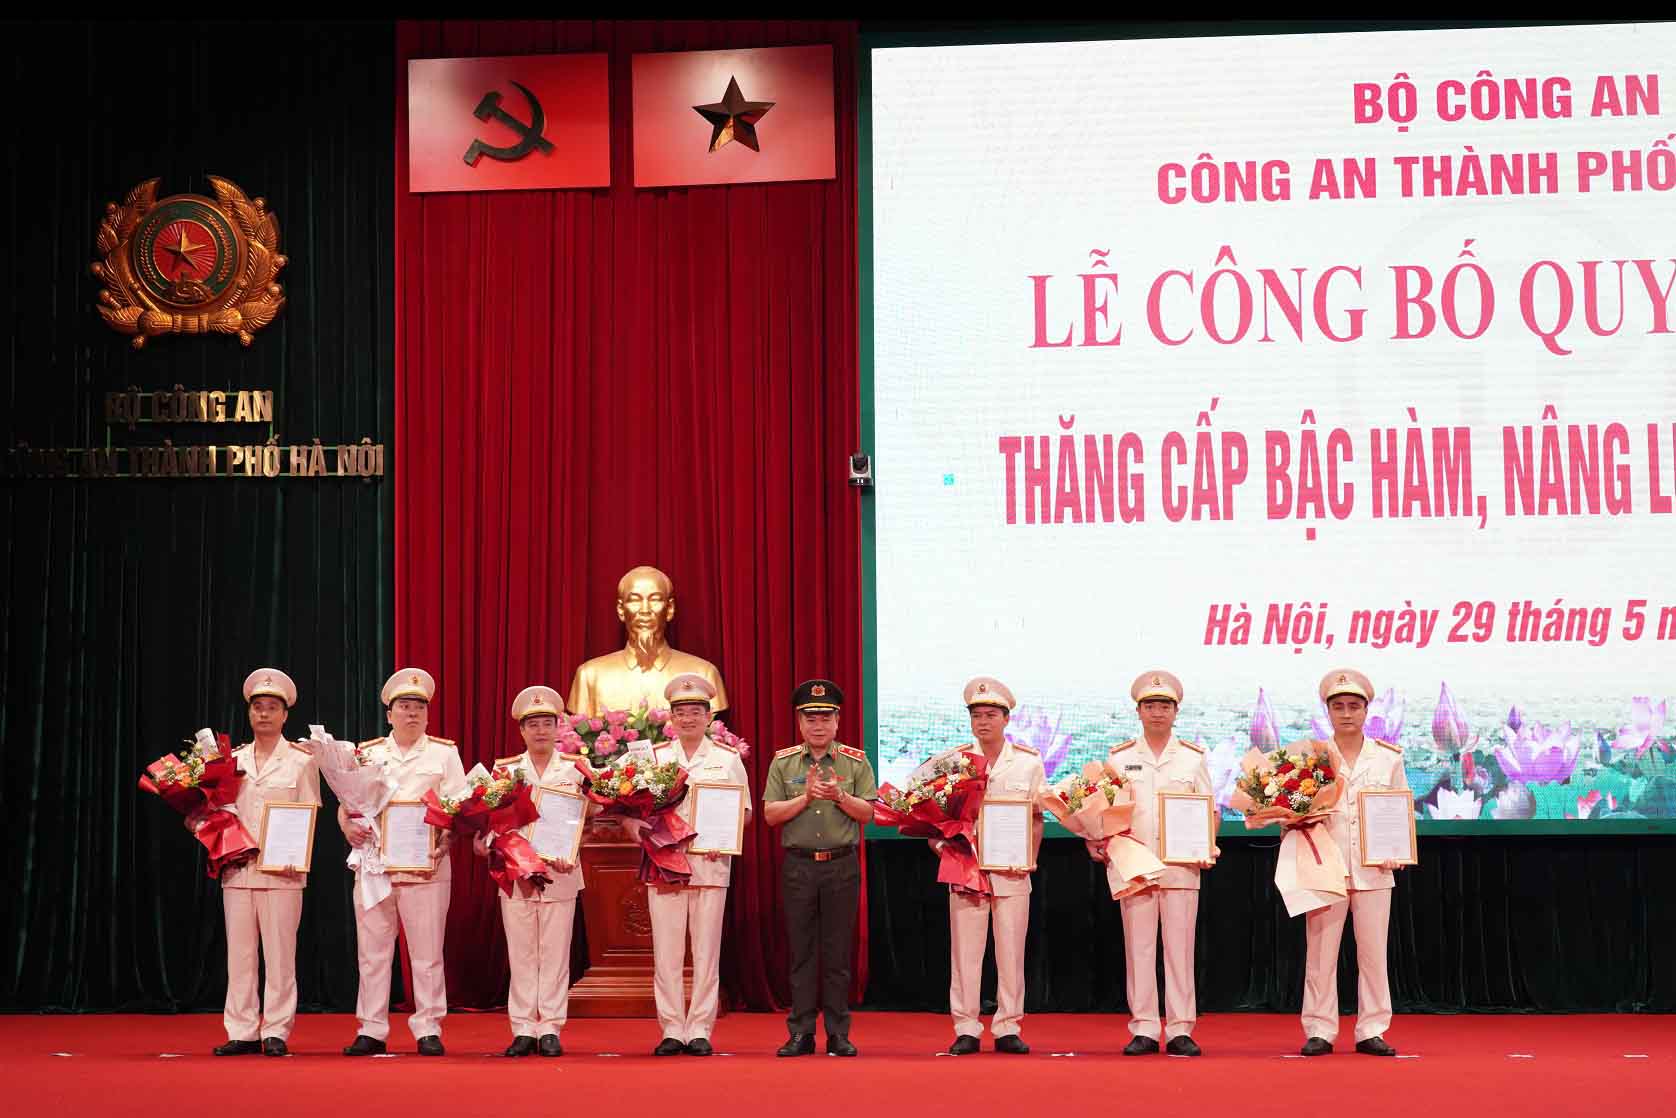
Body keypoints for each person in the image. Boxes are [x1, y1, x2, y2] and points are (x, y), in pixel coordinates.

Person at [340, 668, 466, 1057]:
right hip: (375, 864)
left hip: (426, 865)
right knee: (373, 951)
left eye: (418, 708)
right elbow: (348, 804)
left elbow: (460, 805)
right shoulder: (369, 752)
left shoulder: (444, 753)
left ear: (427, 715)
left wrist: (449, 835)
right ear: (389, 713)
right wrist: (347, 827)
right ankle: (372, 1027)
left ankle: (428, 1026)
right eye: (404, 707)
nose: (411, 713)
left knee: (427, 952)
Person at [1096, 670, 1215, 1057]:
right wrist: (1097, 838)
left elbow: (1209, 811)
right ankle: (1144, 1027)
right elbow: (1104, 809)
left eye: (1164, 705)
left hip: (1181, 866)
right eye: (1150, 705)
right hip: (1135, 865)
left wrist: (1207, 844)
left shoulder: (1193, 758)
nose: (1157, 712)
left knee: (1180, 950)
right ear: (1139, 710)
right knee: (1140, 948)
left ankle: (1181, 1028)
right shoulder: (1120, 757)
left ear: (1175, 711)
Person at [762, 679, 877, 1057]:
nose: (818, 725)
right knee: (802, 952)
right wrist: (805, 797)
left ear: (838, 721)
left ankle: (839, 1033)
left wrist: (841, 796)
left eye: (825, 717)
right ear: (799, 722)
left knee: (838, 952)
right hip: (799, 867)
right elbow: (770, 815)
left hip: (841, 866)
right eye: (810, 718)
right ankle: (801, 1032)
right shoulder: (783, 762)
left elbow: (869, 813)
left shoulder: (855, 761)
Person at [1299, 667, 1409, 1057]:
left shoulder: (1388, 758)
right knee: (1321, 953)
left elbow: (1400, 807)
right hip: (1323, 865)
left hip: (1375, 867)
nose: (1347, 713)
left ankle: (1372, 1028)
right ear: (1327, 711)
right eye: (1339, 706)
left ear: (1367, 711)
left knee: (1373, 954)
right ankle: (1319, 1028)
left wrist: (1398, 847)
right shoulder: (1309, 758)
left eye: (1354, 706)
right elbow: (1292, 811)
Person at [640, 673, 750, 1056]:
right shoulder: (653, 759)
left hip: (710, 865)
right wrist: (633, 825)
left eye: (696, 711)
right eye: (681, 712)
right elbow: (623, 805)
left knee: (706, 952)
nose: (688, 718)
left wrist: (725, 834)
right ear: (671, 717)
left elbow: (746, 813)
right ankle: (671, 1028)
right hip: (665, 865)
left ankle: (700, 1028)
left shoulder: (727, 759)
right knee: (666, 951)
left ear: (709, 717)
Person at [213, 669, 320, 1057]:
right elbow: (218, 812)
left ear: (285, 715)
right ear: (249, 713)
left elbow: (309, 811)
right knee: (239, 955)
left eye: (272, 708)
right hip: (239, 870)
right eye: (258, 708)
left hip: (283, 872)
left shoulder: (301, 761)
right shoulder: (232, 760)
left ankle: (275, 1029)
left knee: (279, 955)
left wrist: (296, 855)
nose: (264, 715)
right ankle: (241, 1029)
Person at [480, 685, 588, 1057]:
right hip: (516, 873)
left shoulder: (576, 769)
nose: (540, 731)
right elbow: (489, 820)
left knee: (555, 951)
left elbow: (594, 815)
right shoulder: (505, 770)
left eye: (547, 723)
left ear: (558, 728)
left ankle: (551, 1027)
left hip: (561, 871)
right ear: (521, 731)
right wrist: (488, 842)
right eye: (533, 724)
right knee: (522, 951)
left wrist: (573, 842)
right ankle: (524, 1027)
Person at [940, 676, 1044, 1055]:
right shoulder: (955, 762)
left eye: (991, 715)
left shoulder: (1028, 764)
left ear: (1006, 719)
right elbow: (938, 816)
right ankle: (966, 1026)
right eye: (977, 715)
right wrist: (940, 844)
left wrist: (1030, 856)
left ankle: (1007, 1025)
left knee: (1011, 950)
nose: (983, 722)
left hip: (1013, 869)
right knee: (965, 952)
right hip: (966, 868)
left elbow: (1036, 818)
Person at [567, 566, 728, 716]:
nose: (645, 610)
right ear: (621, 610)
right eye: (635, 600)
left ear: (669, 609)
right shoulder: (590, 676)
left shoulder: (703, 673)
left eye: (655, 599)